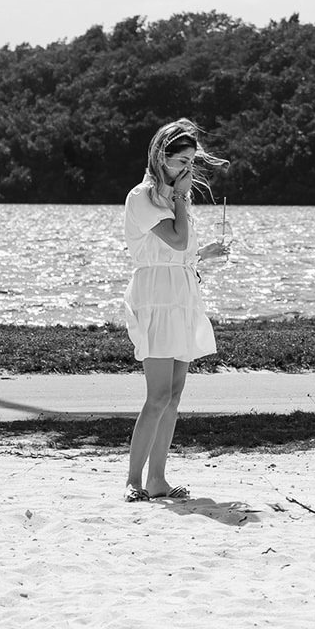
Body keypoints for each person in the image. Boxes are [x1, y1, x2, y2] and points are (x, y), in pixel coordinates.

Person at [122, 118, 230, 502]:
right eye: (179, 161)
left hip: (182, 293)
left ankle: (158, 479)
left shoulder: (172, 197)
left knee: (175, 393)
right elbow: (175, 238)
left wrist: (204, 255)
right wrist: (182, 198)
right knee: (157, 394)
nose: (186, 169)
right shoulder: (143, 197)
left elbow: (179, 251)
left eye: (190, 161)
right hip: (156, 296)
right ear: (160, 157)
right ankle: (134, 481)